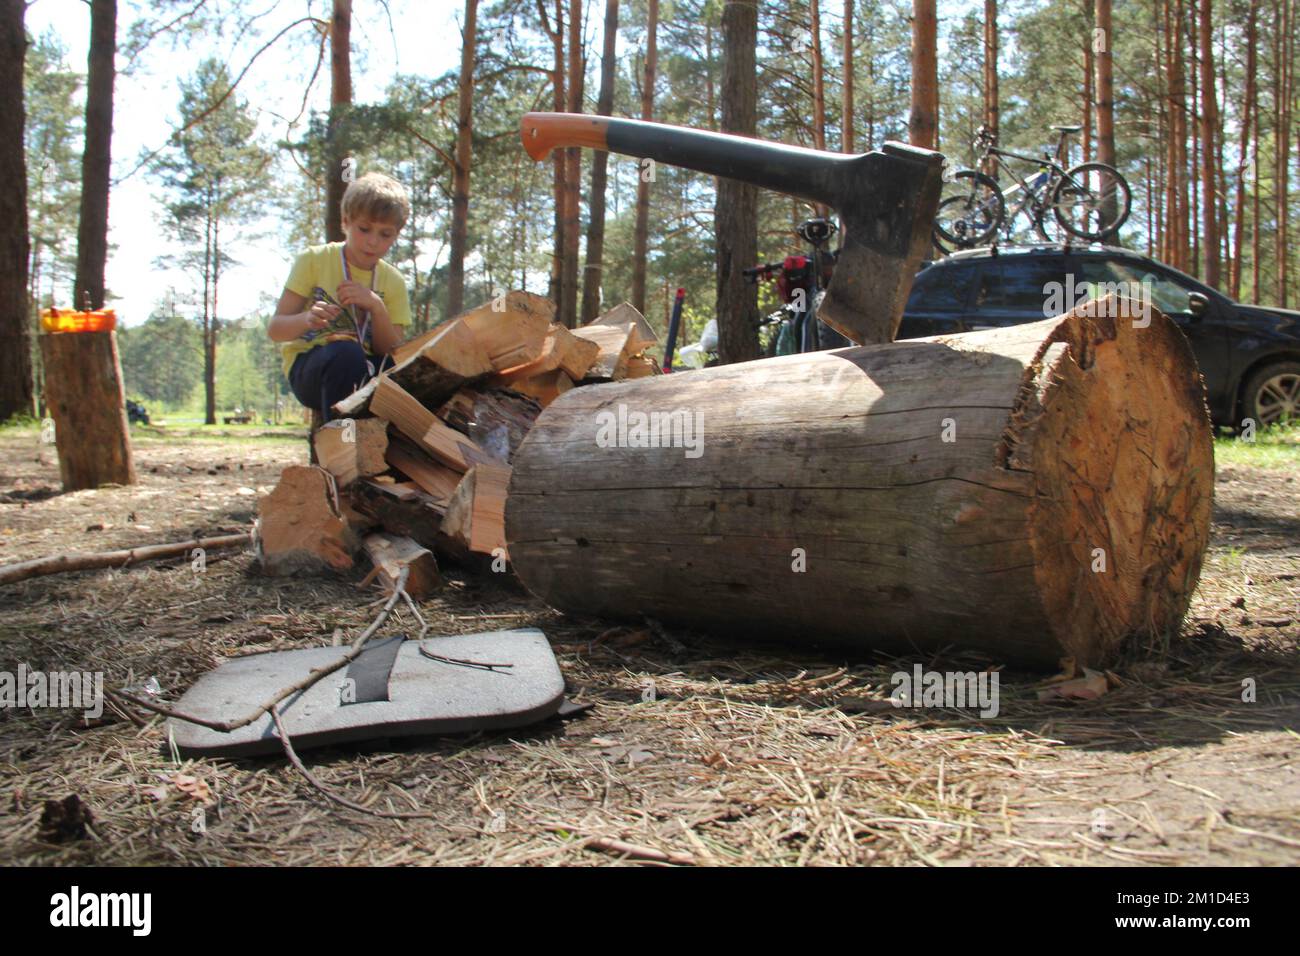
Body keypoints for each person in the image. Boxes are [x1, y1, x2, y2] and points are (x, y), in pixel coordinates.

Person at [269, 172, 412, 420]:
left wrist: (376, 307)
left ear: (396, 235)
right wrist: (306, 319)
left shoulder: (393, 281)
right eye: (364, 229)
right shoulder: (314, 260)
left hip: (367, 373)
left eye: (385, 234)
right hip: (312, 371)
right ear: (345, 222)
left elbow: (391, 352)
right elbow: (276, 330)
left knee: (401, 373)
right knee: (346, 354)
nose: (372, 242)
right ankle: (339, 446)